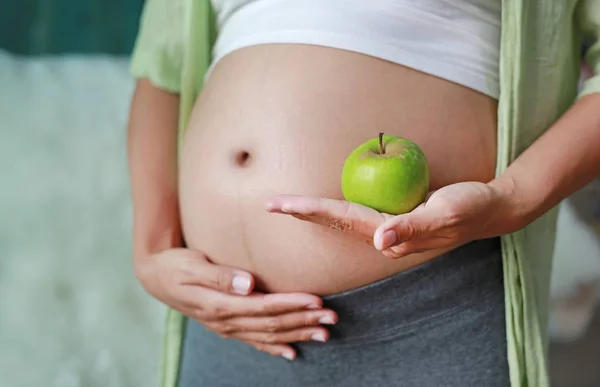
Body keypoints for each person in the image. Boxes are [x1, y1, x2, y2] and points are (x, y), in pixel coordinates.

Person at [126, 1, 600, 386]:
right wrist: (151, 251)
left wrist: (513, 199)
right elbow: (161, 67)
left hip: (425, 312)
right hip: (224, 320)